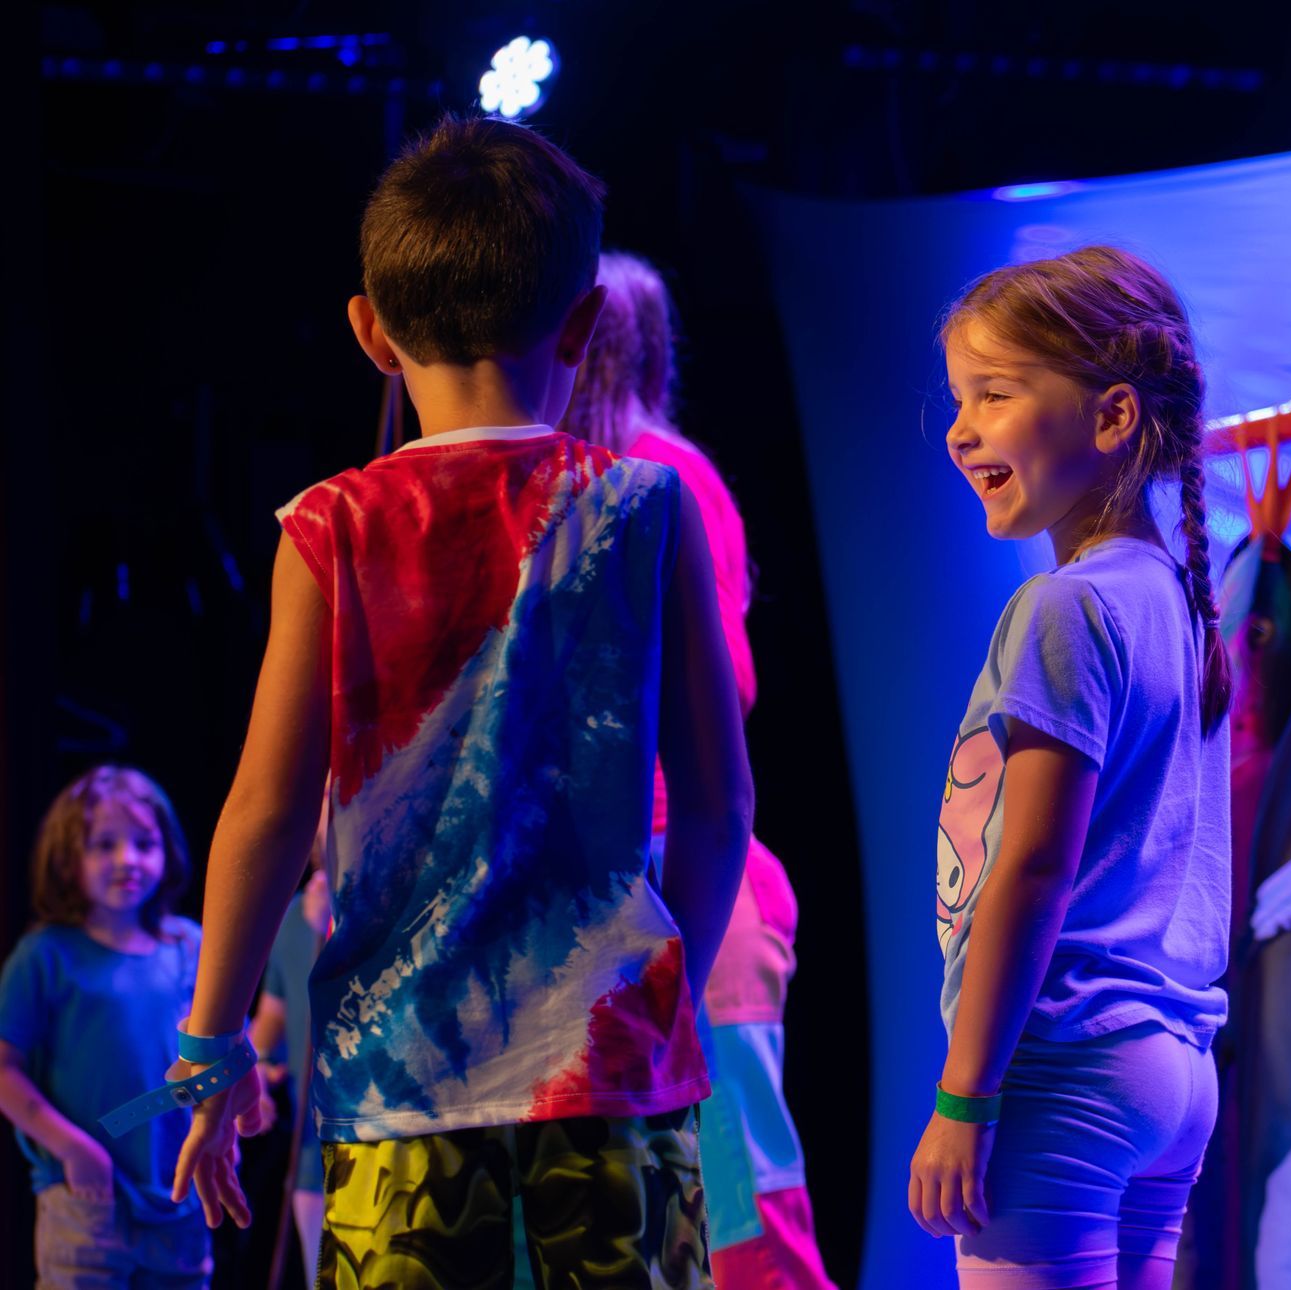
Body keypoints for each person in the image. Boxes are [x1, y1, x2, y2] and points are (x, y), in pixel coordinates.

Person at [153, 115, 753, 1289]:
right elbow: (723, 799)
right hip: (611, 1064)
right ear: (585, 324)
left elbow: (269, 815)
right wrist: (660, 978)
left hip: (400, 1086)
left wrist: (209, 1052)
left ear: (371, 334)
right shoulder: (647, 509)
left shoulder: (329, 527)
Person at [913, 245, 1232, 1289]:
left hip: (1071, 1063)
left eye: (995, 394)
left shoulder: (1068, 605)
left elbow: (1035, 866)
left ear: (1112, 417)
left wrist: (965, 1097)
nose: (962, 428)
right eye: (960, 398)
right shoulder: (1174, 598)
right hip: (1170, 1071)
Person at [561, 249, 837, 1289]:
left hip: (693, 879)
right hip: (614, 881)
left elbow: (726, 686)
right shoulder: (569, 478)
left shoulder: (661, 472)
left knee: (739, 1207)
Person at [0, 766, 212, 1287]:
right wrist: (75, 1148)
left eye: (144, 842)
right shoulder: (44, 956)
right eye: (104, 844)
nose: (127, 860)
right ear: (68, 859)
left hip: (179, 1199)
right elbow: (4, 1071)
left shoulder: (189, 946)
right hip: (85, 1199)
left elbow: (224, 1042)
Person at [249, 863, 330, 1286]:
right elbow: (274, 1011)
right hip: (311, 1153)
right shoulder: (294, 916)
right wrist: (258, 1065)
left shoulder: (384, 901)